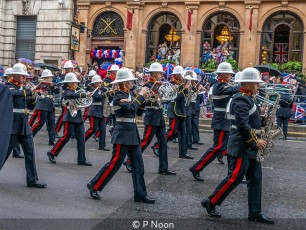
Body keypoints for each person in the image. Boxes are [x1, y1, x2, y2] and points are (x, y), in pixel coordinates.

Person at [201, 67, 274, 225]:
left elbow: (250, 119)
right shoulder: (241, 98)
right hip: (242, 145)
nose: (258, 86)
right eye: (255, 83)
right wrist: (255, 141)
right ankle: (211, 201)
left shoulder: (247, 98)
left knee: (255, 179)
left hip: (249, 146)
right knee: (235, 178)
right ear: (247, 83)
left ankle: (255, 211)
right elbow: (242, 125)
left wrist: (262, 118)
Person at [87, 68, 155, 204]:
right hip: (122, 133)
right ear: (123, 82)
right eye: (130, 81)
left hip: (132, 133)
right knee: (115, 163)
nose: (132, 82)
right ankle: (94, 185)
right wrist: (140, 96)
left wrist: (144, 99)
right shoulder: (118, 95)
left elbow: (138, 112)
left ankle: (140, 194)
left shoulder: (129, 94)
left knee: (138, 165)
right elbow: (130, 108)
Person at [189, 62, 239, 182]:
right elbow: (235, 89)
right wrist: (245, 82)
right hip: (221, 120)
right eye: (229, 74)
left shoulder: (222, 85)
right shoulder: (219, 86)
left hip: (224, 120)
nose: (231, 76)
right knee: (217, 147)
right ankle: (197, 167)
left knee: (223, 146)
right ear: (223, 74)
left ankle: (233, 173)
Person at [124, 62, 176, 175]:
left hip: (159, 115)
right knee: (146, 141)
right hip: (151, 115)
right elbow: (143, 100)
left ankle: (163, 168)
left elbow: (166, 99)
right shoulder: (147, 86)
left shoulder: (161, 85)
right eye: (159, 73)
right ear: (154, 73)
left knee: (163, 143)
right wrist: (152, 98)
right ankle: (129, 160)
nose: (161, 75)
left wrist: (163, 99)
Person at [2, 63, 47, 188]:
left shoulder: (24, 88)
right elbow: (14, 95)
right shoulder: (8, 87)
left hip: (24, 125)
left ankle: (32, 180)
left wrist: (33, 98)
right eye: (22, 76)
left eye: (24, 76)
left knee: (30, 153)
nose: (24, 78)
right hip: (13, 125)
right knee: (4, 153)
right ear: (15, 75)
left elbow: (30, 106)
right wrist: (29, 91)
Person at [47, 72, 92, 166]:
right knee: (66, 137)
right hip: (69, 117)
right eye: (74, 82)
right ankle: (52, 152)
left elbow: (80, 97)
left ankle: (81, 159)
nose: (76, 84)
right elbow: (70, 96)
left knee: (81, 139)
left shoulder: (77, 90)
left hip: (78, 117)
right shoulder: (66, 91)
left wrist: (86, 94)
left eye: (76, 82)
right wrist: (83, 95)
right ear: (70, 83)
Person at [153, 66, 194, 159]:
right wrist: (184, 89)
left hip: (182, 110)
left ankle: (183, 153)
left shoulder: (182, 84)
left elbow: (187, 96)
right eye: (180, 75)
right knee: (172, 132)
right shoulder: (171, 84)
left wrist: (190, 89)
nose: (182, 77)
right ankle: (157, 146)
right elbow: (174, 97)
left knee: (182, 133)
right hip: (175, 111)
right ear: (175, 75)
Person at [29, 69, 60, 145]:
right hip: (42, 105)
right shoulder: (41, 84)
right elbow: (38, 90)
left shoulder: (51, 84)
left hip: (50, 105)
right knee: (40, 123)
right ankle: (29, 137)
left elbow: (57, 91)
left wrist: (52, 85)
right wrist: (42, 84)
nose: (51, 78)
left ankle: (51, 140)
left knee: (51, 123)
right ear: (46, 77)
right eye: (50, 77)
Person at [84, 75, 110, 151]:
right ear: (94, 84)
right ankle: (82, 140)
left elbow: (106, 91)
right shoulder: (93, 91)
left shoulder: (101, 90)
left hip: (101, 111)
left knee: (103, 129)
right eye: (99, 83)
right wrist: (106, 93)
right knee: (93, 129)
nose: (100, 84)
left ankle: (102, 145)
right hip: (93, 111)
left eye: (100, 83)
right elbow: (98, 97)